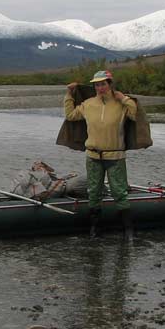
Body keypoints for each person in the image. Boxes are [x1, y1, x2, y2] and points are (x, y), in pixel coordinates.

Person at [64, 70, 138, 238]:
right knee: (94, 193)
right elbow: (70, 115)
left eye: (103, 84)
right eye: (97, 84)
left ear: (110, 84)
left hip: (115, 157)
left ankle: (128, 231)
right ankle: (95, 229)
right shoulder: (88, 104)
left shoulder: (122, 104)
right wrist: (69, 94)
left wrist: (123, 98)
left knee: (119, 193)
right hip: (93, 157)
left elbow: (135, 114)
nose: (100, 87)